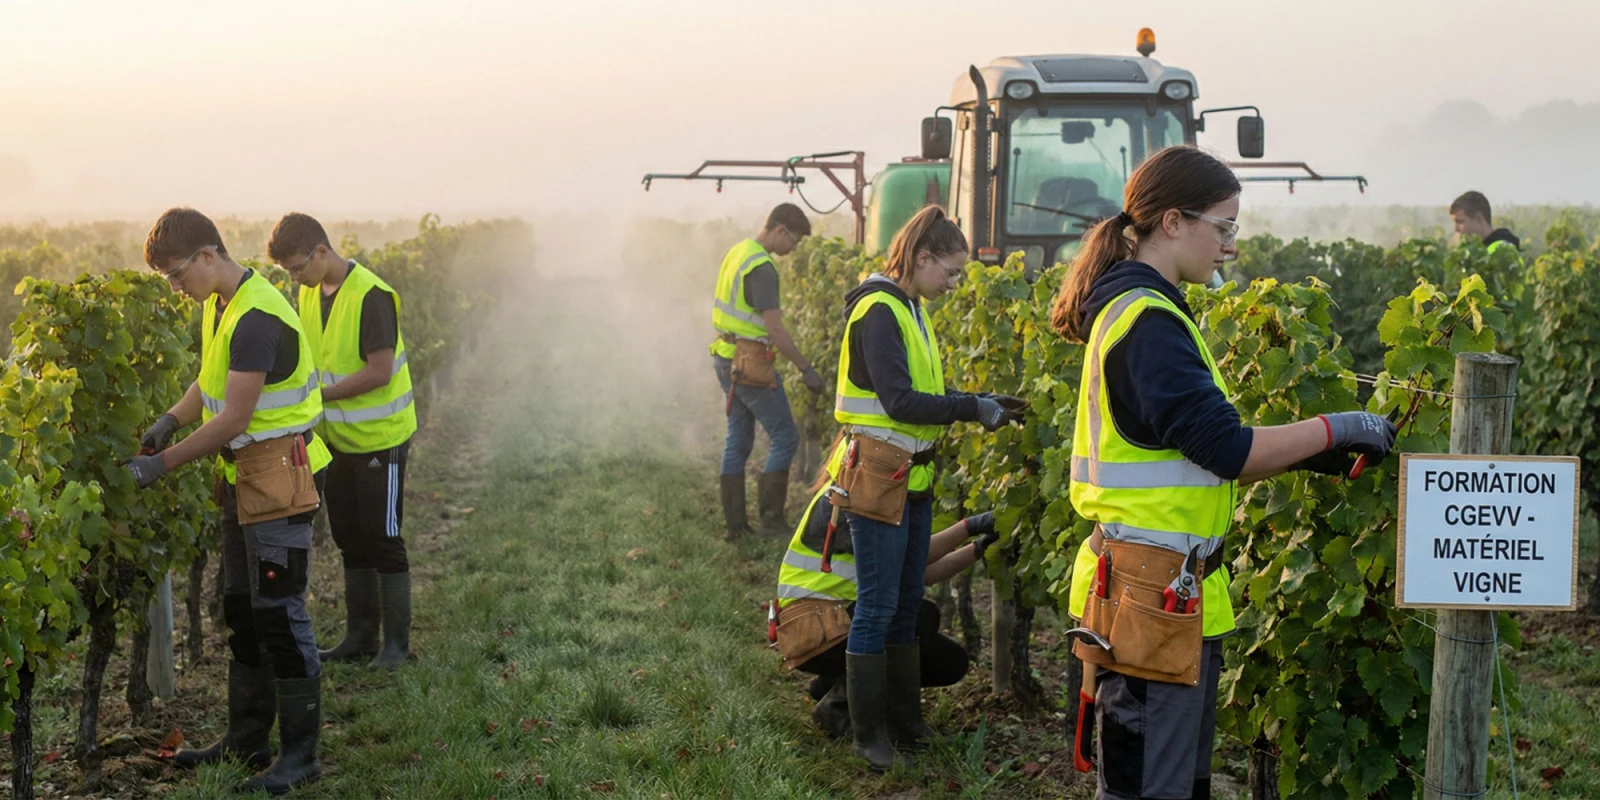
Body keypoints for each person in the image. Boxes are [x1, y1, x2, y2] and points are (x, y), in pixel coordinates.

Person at [1048, 146, 1398, 800]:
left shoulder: (1145, 310)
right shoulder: (1149, 323)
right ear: (1173, 221)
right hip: (1149, 596)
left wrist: (1310, 454)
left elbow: (1188, 459)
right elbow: (1225, 450)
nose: (1231, 246)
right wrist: (1337, 427)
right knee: (1151, 789)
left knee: (1170, 783)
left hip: (1156, 591)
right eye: (1224, 226)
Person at [129, 208, 333, 795]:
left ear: (208, 256)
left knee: (281, 616)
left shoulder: (257, 316)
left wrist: (162, 464)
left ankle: (301, 757)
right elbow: (212, 378)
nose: (175, 287)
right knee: (244, 610)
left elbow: (236, 416)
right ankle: (247, 739)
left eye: (176, 274)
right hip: (243, 479)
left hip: (280, 480)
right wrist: (171, 419)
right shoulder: (222, 304)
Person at [831, 205, 1025, 770]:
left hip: (910, 476)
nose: (956, 282)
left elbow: (924, 395)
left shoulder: (910, 308)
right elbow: (900, 402)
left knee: (904, 602)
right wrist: (971, 409)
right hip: (877, 477)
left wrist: (982, 401)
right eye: (952, 271)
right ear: (922, 258)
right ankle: (869, 736)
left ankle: (906, 723)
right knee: (876, 606)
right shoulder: (879, 310)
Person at [269, 213, 416, 670]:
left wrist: (318, 397)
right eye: (288, 272)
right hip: (336, 440)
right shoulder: (309, 293)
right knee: (349, 537)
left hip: (379, 438)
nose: (294, 278)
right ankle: (360, 637)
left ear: (321, 251)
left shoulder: (371, 295)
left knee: (383, 537)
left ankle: (396, 646)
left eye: (298, 267)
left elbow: (379, 372)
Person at [773, 465, 999, 738]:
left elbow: (922, 574)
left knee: (950, 662)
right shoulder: (847, 498)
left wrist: (979, 547)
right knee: (917, 616)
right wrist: (969, 526)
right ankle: (838, 706)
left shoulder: (873, 493)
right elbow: (913, 556)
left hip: (836, 622)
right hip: (812, 629)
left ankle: (833, 684)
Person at [711, 203, 826, 540]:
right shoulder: (762, 267)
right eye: (795, 241)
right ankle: (772, 522)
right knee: (786, 436)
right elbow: (775, 330)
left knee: (739, 438)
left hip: (725, 356)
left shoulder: (739, 252)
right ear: (779, 230)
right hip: (750, 364)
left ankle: (736, 527)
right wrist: (806, 368)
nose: (794, 249)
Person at [1449, 191, 1520, 252]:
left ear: (1478, 219)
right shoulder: (1475, 252)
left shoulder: (1502, 253)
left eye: (1460, 222)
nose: (1456, 229)